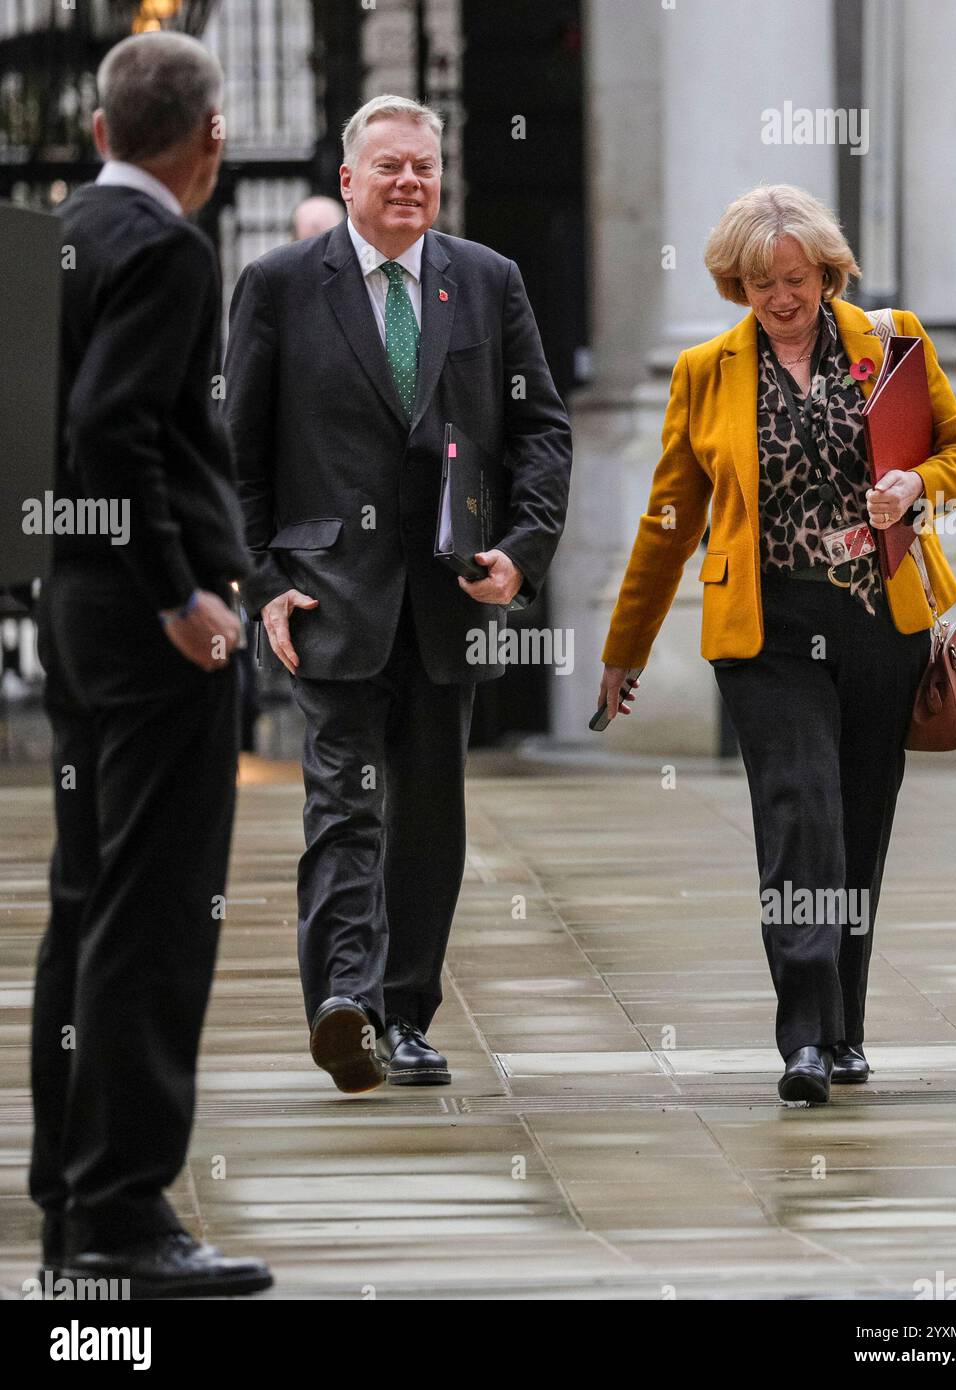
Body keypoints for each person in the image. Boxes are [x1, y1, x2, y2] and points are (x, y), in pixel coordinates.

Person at [599, 184, 956, 1104]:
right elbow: (666, 521)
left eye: (797, 277)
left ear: (826, 270)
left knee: (857, 825)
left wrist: (914, 485)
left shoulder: (888, 344)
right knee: (798, 814)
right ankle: (804, 1039)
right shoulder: (705, 371)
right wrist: (627, 646)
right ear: (734, 283)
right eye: (760, 281)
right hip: (766, 630)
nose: (782, 296)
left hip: (874, 620)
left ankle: (845, 1026)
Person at [225, 95, 571, 1092]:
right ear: (348, 180)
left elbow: (540, 426)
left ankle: (406, 1014)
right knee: (343, 804)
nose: (411, 180)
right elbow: (237, 455)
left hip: (447, 595)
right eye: (389, 167)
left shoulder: (487, 282)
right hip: (329, 597)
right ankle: (346, 1001)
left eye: (423, 166)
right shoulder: (283, 284)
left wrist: (522, 545)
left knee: (428, 816)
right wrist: (265, 585)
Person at [30, 32, 272, 1296]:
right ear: (210, 138)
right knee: (156, 915)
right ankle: (124, 1213)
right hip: (146, 624)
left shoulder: (53, 238)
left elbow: (37, 443)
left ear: (98, 130)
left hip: (73, 608)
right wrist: (180, 593)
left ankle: (71, 1198)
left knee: (87, 900)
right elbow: (110, 430)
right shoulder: (168, 248)